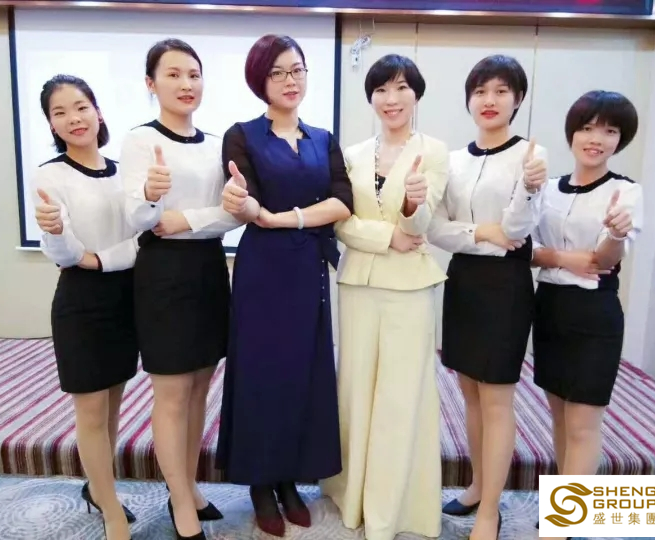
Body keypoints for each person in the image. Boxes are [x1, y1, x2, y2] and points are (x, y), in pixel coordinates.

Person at [214, 34, 353, 538]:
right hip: (263, 271)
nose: (290, 80)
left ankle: (290, 478)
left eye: (297, 70)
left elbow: (342, 201)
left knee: (303, 374)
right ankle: (260, 481)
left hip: (307, 269)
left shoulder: (322, 138)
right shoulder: (242, 136)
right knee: (261, 374)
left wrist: (282, 217)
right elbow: (247, 200)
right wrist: (248, 207)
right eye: (277, 72)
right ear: (260, 80)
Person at [119, 38, 245, 540]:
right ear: (151, 84)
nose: (186, 84)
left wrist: (183, 219)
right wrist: (152, 200)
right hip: (163, 275)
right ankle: (179, 500)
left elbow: (232, 214)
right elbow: (140, 219)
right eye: (172, 74)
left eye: (193, 74)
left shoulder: (217, 143)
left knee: (199, 388)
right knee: (171, 391)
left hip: (209, 270)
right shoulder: (139, 140)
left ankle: (189, 486)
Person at [320, 54, 449, 540]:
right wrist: (386, 236)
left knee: (400, 395)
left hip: (409, 289)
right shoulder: (352, 154)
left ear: (416, 94)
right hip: (357, 283)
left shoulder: (433, 151)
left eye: (400, 88)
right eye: (380, 90)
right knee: (355, 389)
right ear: (371, 97)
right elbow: (340, 220)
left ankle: (393, 507)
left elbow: (421, 225)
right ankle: (349, 493)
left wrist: (412, 203)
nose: (390, 99)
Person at [427, 54, 548, 540]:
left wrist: (526, 194)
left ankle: (490, 511)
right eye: (480, 91)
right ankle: (478, 485)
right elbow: (436, 229)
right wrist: (482, 232)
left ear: (518, 99)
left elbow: (517, 233)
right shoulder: (454, 161)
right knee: (470, 394)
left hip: (506, 287)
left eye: (501, 90)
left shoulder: (529, 157)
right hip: (463, 282)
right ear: (469, 100)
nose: (490, 100)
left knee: (497, 399)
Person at [32, 74, 139, 540]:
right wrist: (55, 232)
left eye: (80, 107)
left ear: (98, 111)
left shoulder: (124, 172)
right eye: (59, 112)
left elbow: (142, 240)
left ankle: (99, 489)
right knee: (92, 412)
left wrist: (102, 258)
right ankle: (110, 508)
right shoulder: (50, 175)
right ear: (52, 125)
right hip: (82, 302)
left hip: (127, 298)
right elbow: (66, 254)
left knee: (113, 405)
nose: (73, 118)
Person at [531, 90, 641, 539]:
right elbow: (527, 251)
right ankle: (565, 508)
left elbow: (605, 260)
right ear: (572, 133)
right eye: (588, 128)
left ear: (620, 140)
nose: (597, 139)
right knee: (558, 414)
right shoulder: (549, 189)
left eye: (610, 131)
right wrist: (562, 258)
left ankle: (564, 524)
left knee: (583, 421)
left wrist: (614, 234)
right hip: (549, 308)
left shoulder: (625, 192)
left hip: (594, 313)